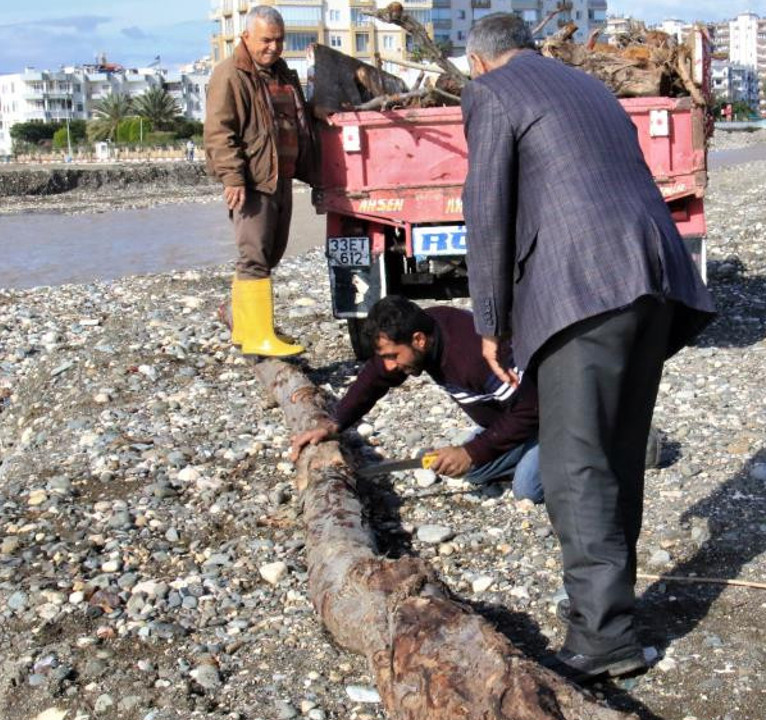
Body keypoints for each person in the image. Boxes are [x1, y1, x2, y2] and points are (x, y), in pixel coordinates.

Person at [460, 14, 716, 683]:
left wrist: (490, 319)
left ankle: (602, 638)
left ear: (477, 60)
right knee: (619, 451)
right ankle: (609, 612)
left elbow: (486, 209)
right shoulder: (589, 87)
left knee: (577, 463)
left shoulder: (491, 91)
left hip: (584, 286)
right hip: (655, 275)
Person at [289, 296, 542, 503]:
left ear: (419, 340)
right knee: (472, 470)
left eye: (393, 356)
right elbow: (375, 377)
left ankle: (571, 457)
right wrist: (335, 422)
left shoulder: (471, 357)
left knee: (527, 489)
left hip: (552, 419)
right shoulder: (420, 331)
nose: (389, 366)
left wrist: (472, 450)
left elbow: (531, 409)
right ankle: (532, 455)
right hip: (513, 418)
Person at [205, 5, 318, 357]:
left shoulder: (283, 73)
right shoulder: (229, 74)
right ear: (246, 37)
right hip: (252, 181)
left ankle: (244, 328)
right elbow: (218, 132)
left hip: (280, 176)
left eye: (279, 40)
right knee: (253, 256)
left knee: (271, 253)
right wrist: (233, 177)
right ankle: (258, 337)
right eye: (266, 40)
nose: (273, 47)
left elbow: (294, 116)